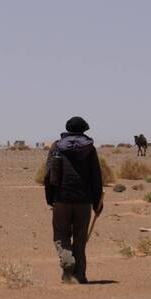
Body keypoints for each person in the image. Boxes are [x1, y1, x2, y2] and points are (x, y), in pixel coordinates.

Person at [44, 116, 103, 284]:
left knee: (61, 234)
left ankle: (67, 263)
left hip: (61, 199)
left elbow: (48, 176)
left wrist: (50, 199)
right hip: (84, 201)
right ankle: (80, 276)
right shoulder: (90, 149)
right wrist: (98, 203)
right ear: (84, 129)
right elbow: (96, 177)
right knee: (80, 238)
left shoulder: (56, 147)